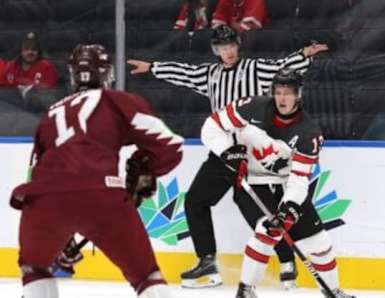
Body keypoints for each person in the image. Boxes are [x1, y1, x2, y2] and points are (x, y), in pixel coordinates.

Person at [127, 24, 328, 289]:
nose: (227, 52)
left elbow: (283, 68)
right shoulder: (210, 75)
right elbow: (185, 73)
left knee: (260, 210)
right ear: (216, 50)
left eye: (231, 46)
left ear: (238, 46)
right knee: (196, 201)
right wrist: (152, 67)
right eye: (221, 48)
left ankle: (286, 261)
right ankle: (208, 263)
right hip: (223, 154)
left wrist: (304, 54)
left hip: (254, 153)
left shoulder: (255, 69)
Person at [9, 44, 184, 298]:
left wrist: (61, 229)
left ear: (72, 75)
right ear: (106, 73)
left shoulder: (51, 114)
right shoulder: (118, 100)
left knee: (34, 269)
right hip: (102, 195)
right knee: (147, 276)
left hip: (44, 202)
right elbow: (170, 145)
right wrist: (144, 168)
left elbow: (35, 172)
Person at [200, 68, 355, 298]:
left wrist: (289, 208)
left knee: (319, 242)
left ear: (298, 95)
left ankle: (333, 290)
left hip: (285, 185)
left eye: (288, 93)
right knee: (267, 230)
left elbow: (299, 178)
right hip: (252, 183)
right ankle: (245, 291)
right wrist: (227, 152)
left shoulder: (308, 132)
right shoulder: (252, 107)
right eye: (279, 92)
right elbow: (211, 127)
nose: (282, 98)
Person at [0, 32, 58, 97]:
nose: (30, 52)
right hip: (11, 104)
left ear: (39, 52)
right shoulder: (10, 66)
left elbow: (50, 94)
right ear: (21, 51)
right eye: (26, 49)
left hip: (37, 105)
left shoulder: (47, 67)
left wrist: (30, 86)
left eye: (34, 49)